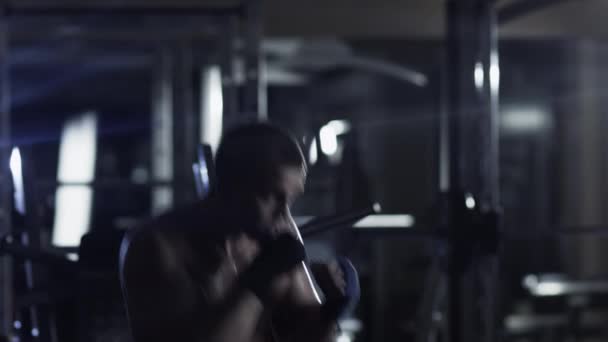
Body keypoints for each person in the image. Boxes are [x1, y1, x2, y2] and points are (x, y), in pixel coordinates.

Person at [119, 123, 358, 342]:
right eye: (271, 196)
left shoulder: (274, 233)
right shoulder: (157, 245)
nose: (284, 215)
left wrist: (331, 307)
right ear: (231, 188)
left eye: (292, 199)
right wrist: (256, 284)